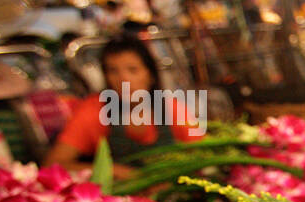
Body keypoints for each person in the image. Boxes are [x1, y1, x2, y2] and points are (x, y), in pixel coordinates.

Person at [44, 35, 201, 179]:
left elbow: (202, 154)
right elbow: (52, 165)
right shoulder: (95, 110)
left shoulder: (170, 107)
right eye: (113, 71)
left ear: (150, 75)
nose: (124, 79)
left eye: (133, 70)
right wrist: (113, 170)